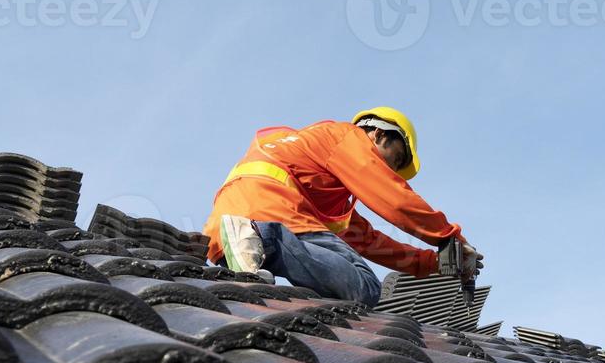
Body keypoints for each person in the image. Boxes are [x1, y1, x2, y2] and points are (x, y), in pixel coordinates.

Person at [204, 108, 482, 306]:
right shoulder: (344, 137)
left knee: (357, 281)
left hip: (227, 230)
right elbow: (395, 200)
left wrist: (438, 263)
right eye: (395, 159)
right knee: (367, 286)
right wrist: (450, 238)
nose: (391, 172)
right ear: (377, 134)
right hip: (269, 212)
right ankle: (267, 240)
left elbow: (371, 242)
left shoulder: (323, 183)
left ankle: (253, 247)